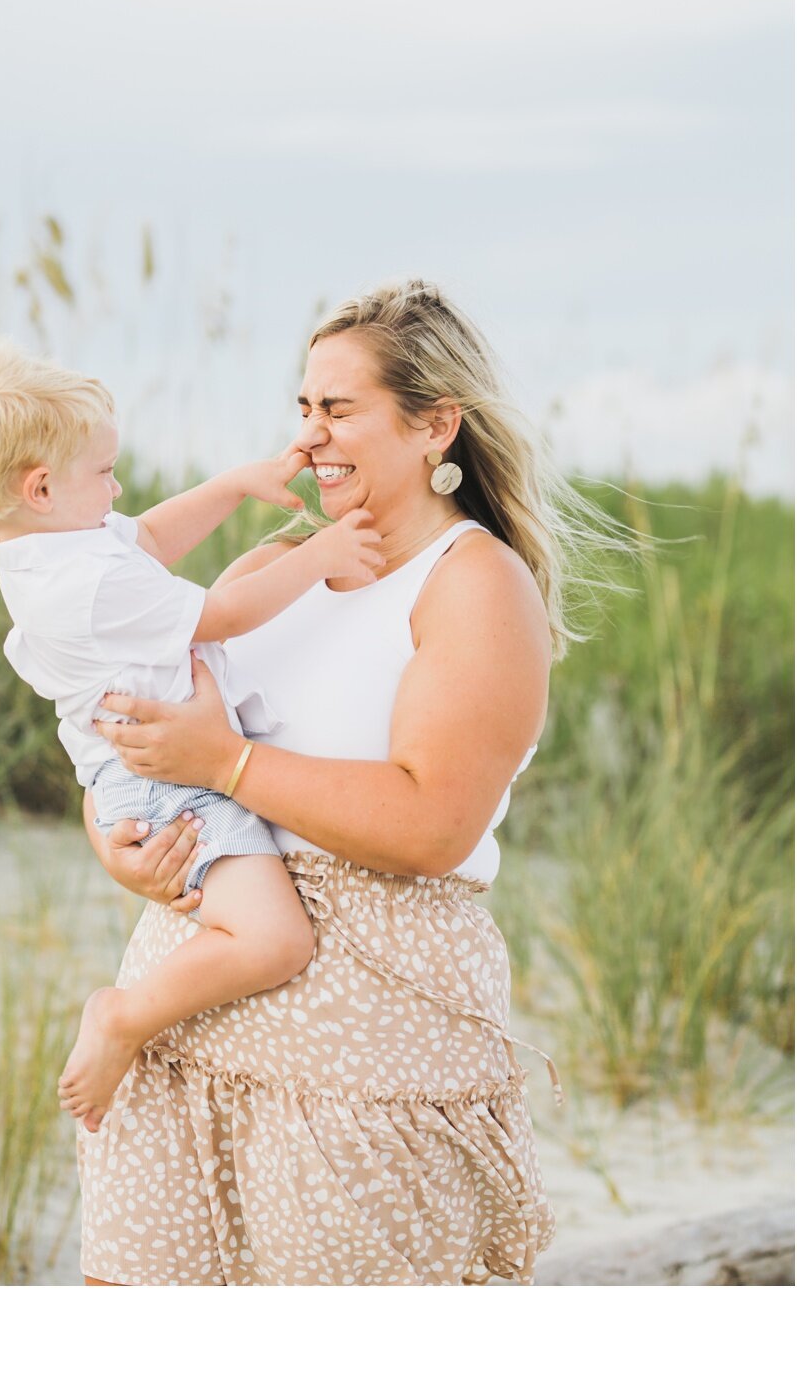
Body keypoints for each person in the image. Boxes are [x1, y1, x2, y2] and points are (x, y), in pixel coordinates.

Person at [74, 279, 605, 1286]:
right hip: (183, 1006)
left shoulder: (471, 583)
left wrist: (224, 765)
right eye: (301, 407)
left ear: (431, 424)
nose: (309, 435)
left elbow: (430, 821)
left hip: (365, 1039)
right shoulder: (281, 558)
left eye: (338, 407)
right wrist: (116, 839)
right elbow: (144, 718)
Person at [0, 339, 386, 1133]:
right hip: (163, 782)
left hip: (143, 771)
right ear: (40, 487)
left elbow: (142, 539)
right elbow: (224, 613)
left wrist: (237, 486)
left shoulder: (42, 542)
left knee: (257, 926)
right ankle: (125, 1016)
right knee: (277, 940)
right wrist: (323, 554)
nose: (118, 487)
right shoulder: (88, 586)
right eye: (104, 472)